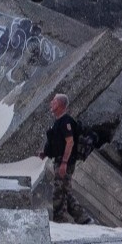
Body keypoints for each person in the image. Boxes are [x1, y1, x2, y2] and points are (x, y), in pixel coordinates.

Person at [39, 93, 91, 224]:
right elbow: (57, 144)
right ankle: (79, 218)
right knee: (63, 190)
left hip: (65, 162)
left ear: (61, 105)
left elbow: (70, 142)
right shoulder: (58, 122)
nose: (51, 103)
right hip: (59, 161)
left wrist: (64, 163)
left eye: (54, 101)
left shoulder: (66, 122)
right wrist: (45, 153)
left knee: (59, 191)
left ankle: (69, 219)